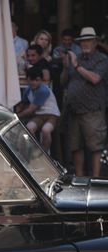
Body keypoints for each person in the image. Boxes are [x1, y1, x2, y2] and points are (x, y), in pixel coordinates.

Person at [61, 27, 108, 177]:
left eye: (88, 41)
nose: (85, 44)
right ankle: (79, 178)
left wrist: (76, 66)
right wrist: (65, 68)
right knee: (76, 146)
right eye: (82, 41)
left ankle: (95, 179)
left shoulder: (102, 59)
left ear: (95, 42)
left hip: (92, 110)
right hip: (74, 110)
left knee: (95, 147)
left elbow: (95, 79)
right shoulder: (77, 58)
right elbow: (63, 82)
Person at [17, 67, 60, 152]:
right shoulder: (28, 90)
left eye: (37, 80)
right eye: (31, 80)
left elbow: (31, 110)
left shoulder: (43, 90)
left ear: (41, 80)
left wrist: (17, 116)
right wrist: (18, 110)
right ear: (27, 80)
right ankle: (35, 150)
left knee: (46, 130)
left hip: (52, 115)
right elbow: (23, 104)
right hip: (39, 116)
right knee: (29, 128)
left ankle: (44, 152)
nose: (34, 83)